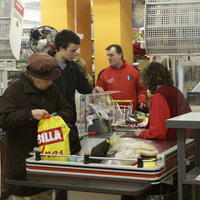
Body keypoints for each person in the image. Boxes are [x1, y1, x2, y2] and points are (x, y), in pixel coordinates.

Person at [0, 53, 74, 199]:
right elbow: (3, 119)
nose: (50, 83)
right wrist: (30, 114)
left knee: (43, 194)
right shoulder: (14, 91)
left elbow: (68, 110)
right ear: (33, 76)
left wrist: (55, 118)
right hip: (20, 162)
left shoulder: (52, 89)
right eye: (46, 80)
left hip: (46, 159)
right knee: (21, 194)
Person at [51, 29, 103, 155]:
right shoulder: (47, 67)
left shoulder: (73, 67)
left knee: (72, 155)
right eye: (72, 50)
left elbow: (83, 86)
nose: (75, 54)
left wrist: (94, 90)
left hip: (70, 121)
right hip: (52, 122)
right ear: (61, 48)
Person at [135, 61, 191, 140]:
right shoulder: (176, 91)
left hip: (172, 145)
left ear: (148, 79)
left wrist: (141, 133)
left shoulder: (159, 96)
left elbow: (158, 132)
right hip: (186, 143)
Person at [96, 44, 147, 113]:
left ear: (120, 55)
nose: (109, 58)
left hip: (131, 114)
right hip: (112, 115)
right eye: (108, 55)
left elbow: (142, 89)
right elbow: (98, 94)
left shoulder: (134, 71)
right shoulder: (103, 74)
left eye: (111, 55)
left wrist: (142, 101)